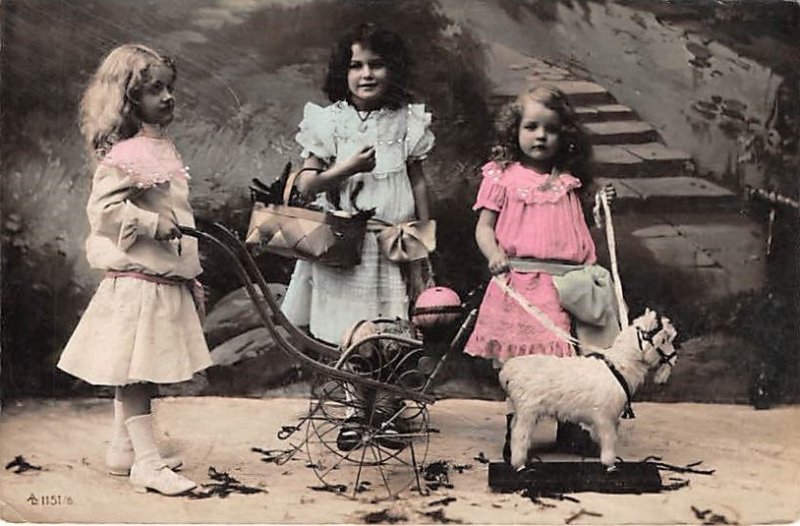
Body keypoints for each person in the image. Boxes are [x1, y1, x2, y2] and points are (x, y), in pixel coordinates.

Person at [57, 44, 210, 496]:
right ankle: (146, 464)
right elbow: (103, 210)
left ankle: (124, 449)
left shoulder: (155, 144)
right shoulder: (130, 152)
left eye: (169, 88)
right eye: (153, 90)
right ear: (128, 100)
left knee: (137, 371)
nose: (167, 98)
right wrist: (149, 223)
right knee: (136, 374)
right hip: (139, 282)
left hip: (159, 277)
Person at [280, 22, 435, 451]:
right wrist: (346, 168)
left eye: (377, 65)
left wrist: (423, 246)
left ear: (394, 69)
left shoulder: (406, 122)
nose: (366, 74)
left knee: (394, 328)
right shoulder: (330, 122)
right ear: (341, 72)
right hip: (346, 243)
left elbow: (419, 186)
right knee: (351, 333)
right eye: (356, 66)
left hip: (395, 241)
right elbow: (305, 186)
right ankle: (355, 410)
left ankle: (386, 411)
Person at [463, 85, 616, 462]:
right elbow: (484, 227)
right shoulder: (503, 177)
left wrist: (602, 206)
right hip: (521, 282)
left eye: (550, 128)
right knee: (524, 364)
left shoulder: (568, 182)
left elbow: (579, 228)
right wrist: (495, 254)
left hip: (567, 283)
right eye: (531, 126)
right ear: (514, 131)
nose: (540, 136)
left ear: (564, 136)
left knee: (567, 359)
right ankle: (518, 427)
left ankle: (570, 428)